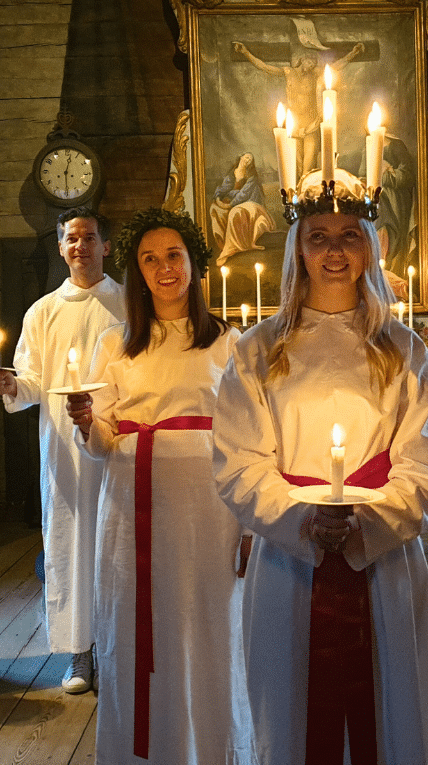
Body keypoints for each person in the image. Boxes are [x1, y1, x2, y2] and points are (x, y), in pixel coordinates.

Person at [213, 189, 428, 764]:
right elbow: (238, 461)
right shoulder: (259, 348)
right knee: (288, 709)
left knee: (392, 708)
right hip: (290, 561)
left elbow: (425, 460)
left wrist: (368, 519)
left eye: (349, 236)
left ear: (369, 249)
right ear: (298, 250)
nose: (334, 251)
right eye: (318, 237)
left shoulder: (402, 347)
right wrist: (302, 519)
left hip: (382, 558)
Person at [65, 208, 252, 764]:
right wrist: (85, 425)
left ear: (194, 264)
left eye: (174, 255)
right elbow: (102, 441)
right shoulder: (117, 344)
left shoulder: (227, 343)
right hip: (132, 505)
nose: (164, 268)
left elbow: (246, 438)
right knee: (137, 631)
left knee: (204, 629)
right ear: (138, 273)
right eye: (150, 259)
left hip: (208, 509)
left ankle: (207, 750)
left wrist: (248, 525)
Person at [0, 206, 124, 694]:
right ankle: (79, 652)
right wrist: (12, 385)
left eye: (90, 237)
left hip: (117, 445)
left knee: (115, 543)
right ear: (60, 247)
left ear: (106, 245)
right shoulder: (44, 311)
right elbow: (33, 381)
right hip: (66, 454)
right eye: (71, 239)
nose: (80, 247)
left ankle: (117, 645)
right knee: (72, 543)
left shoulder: (129, 304)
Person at [233, 40, 365, 174]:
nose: (311, 65)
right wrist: (245, 52)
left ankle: (307, 193)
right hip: (294, 125)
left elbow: (337, 66)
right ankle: (296, 194)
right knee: (296, 166)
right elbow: (264, 67)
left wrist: (353, 53)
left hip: (311, 124)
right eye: (309, 62)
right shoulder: (289, 72)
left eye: (313, 63)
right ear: (302, 59)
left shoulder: (315, 74)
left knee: (309, 165)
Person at [209, 151, 276, 266]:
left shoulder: (252, 177)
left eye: (250, 159)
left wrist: (229, 204)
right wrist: (218, 197)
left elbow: (244, 194)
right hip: (236, 203)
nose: (247, 160)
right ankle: (223, 245)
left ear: (251, 163)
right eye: (246, 157)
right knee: (215, 209)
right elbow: (224, 187)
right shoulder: (232, 174)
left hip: (252, 204)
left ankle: (236, 247)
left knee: (236, 212)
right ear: (240, 158)